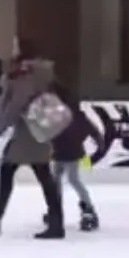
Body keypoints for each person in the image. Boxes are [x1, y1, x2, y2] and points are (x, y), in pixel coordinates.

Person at [0, 38, 66, 239]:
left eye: (15, 49)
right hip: (34, 134)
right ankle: (55, 222)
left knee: (14, 174)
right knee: (43, 178)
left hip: (28, 136)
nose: (11, 53)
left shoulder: (24, 78)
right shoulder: (35, 75)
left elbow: (15, 106)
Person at [48, 84, 103, 232]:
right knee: (57, 180)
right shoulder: (65, 114)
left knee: (72, 179)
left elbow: (89, 130)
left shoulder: (73, 116)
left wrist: (98, 140)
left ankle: (88, 208)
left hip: (70, 153)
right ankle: (56, 207)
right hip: (60, 152)